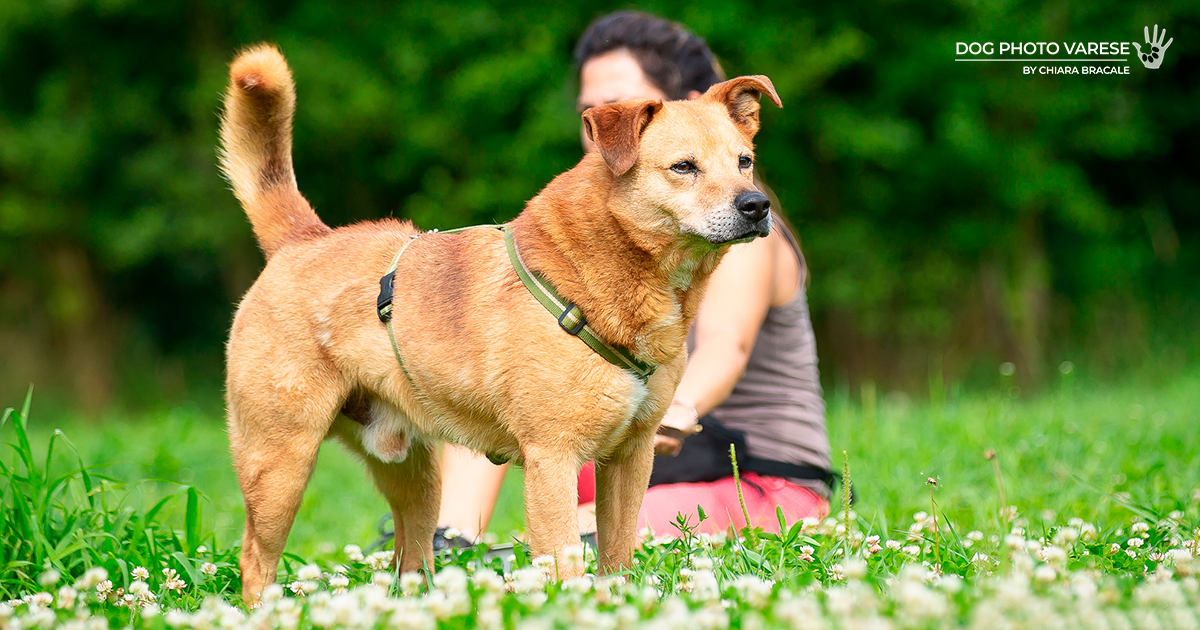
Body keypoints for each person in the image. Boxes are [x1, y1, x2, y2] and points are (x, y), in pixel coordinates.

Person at [436, 11, 831, 542]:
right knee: (505, 371)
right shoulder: (597, 240)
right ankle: (450, 536)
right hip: (627, 464)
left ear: (689, 105)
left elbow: (725, 347)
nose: (605, 125)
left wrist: (678, 407)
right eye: (592, 113)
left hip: (752, 476)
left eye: (621, 104)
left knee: (572, 540)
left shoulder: (741, 231)